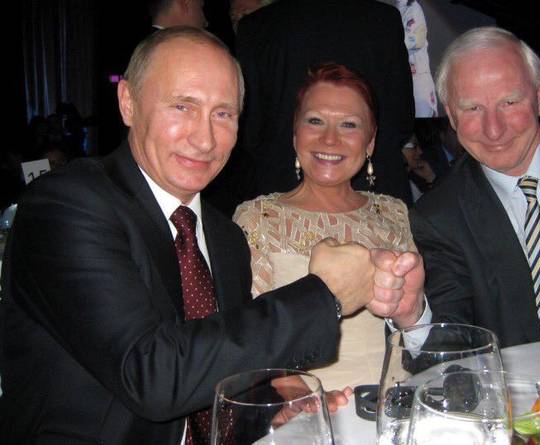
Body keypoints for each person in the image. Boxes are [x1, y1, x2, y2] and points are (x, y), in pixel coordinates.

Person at [0, 27, 424, 443]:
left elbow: (223, 371)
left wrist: (273, 409)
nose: (204, 139)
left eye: (223, 114)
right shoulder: (66, 205)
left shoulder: (223, 237)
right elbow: (153, 375)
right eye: (182, 106)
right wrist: (324, 293)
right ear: (128, 103)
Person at [410, 26, 540, 348]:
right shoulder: (440, 217)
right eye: (472, 108)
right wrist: (412, 314)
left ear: (539, 96)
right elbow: (449, 340)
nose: (494, 130)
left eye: (509, 101)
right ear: (451, 116)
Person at [234, 63, 426, 391]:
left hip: (399, 402)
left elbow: (417, 333)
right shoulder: (258, 218)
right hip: (309, 413)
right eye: (315, 121)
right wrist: (302, 403)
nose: (330, 138)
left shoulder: (394, 213)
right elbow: (256, 340)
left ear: (370, 141)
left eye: (349, 125)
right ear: (296, 133)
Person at [233, 0, 415, 210]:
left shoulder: (256, 26)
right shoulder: (383, 19)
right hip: (375, 186)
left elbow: (250, 131)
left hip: (283, 186)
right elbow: (402, 119)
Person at [395, 0, 438, 117]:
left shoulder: (413, 9)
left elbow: (417, 40)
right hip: (407, 78)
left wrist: (390, 43)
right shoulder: (398, 9)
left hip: (419, 79)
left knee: (422, 123)